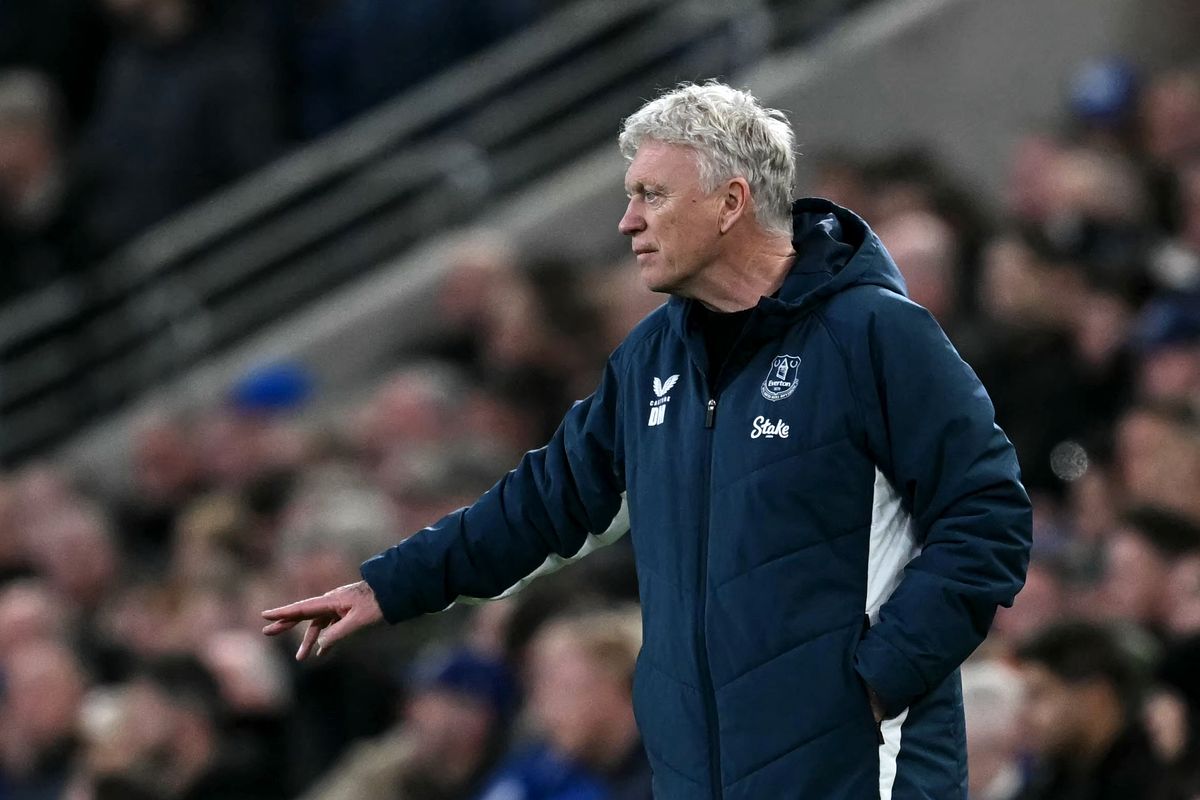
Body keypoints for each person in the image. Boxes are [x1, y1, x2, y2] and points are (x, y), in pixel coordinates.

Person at [263, 82, 1033, 800]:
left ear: (732, 202)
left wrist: (877, 679)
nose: (628, 222)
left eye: (651, 196)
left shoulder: (875, 334)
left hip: (864, 770)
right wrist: (389, 585)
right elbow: (541, 506)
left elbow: (989, 516)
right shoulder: (651, 359)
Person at [1014, 620, 1165, 800]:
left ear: (1095, 698)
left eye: (1038, 695)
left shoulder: (1159, 785)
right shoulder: (1051, 783)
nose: (1025, 715)